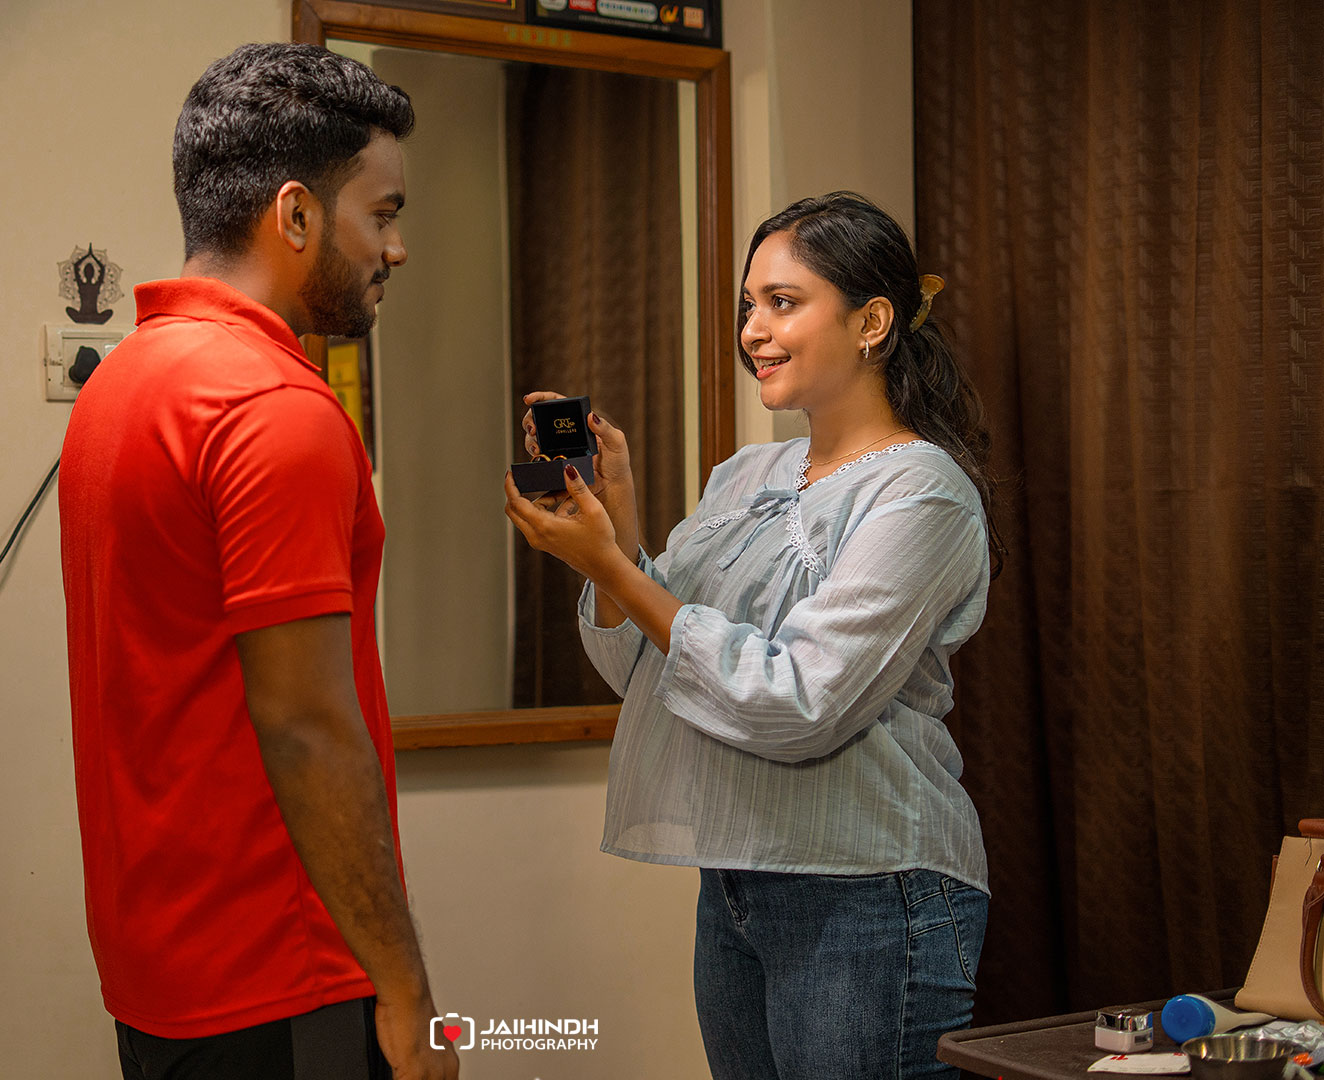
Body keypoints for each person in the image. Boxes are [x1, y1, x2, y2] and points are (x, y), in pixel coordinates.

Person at [504, 191, 998, 1079]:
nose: (754, 331)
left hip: (869, 888)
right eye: (748, 306)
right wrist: (618, 529)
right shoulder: (745, 476)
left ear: (872, 322)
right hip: (736, 880)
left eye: (783, 302)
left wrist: (614, 566)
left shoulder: (922, 492)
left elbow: (799, 703)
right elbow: (644, 670)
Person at [59, 43, 456, 1080]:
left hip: (163, 973)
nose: (396, 248)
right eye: (382, 213)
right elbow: (308, 725)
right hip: (282, 972)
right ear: (295, 215)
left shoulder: (122, 385)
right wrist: (407, 992)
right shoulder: (273, 407)